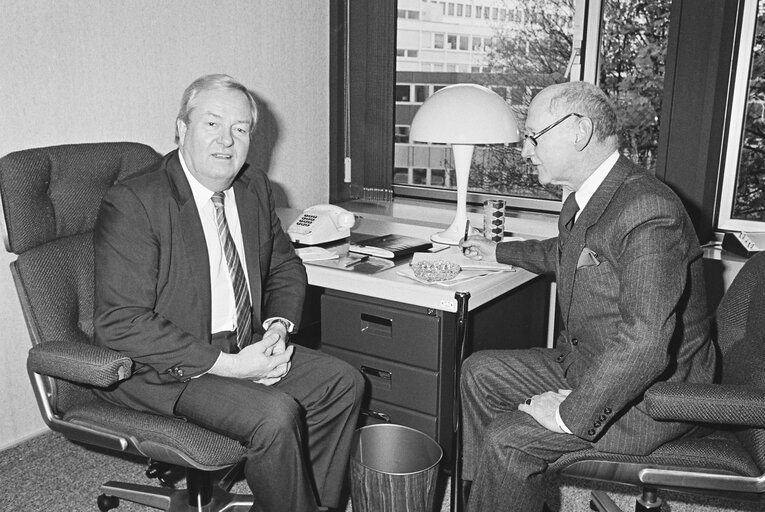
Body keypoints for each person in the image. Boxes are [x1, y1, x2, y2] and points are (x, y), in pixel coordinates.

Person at [93, 74, 364, 512]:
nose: (226, 141)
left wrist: (277, 326)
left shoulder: (252, 187)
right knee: (275, 416)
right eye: (212, 124)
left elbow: (284, 265)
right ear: (182, 129)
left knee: (342, 382)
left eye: (240, 129)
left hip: (243, 343)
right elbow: (121, 323)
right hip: (166, 367)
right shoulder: (136, 202)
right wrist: (230, 367)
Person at [458, 81, 716, 511]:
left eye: (533, 136)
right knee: (479, 371)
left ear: (579, 132)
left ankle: (504, 477)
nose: (525, 151)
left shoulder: (648, 208)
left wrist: (565, 416)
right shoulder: (590, 198)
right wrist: (497, 250)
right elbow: (568, 253)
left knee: (510, 440)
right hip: (591, 363)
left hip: (651, 396)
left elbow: (647, 342)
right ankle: (495, 495)